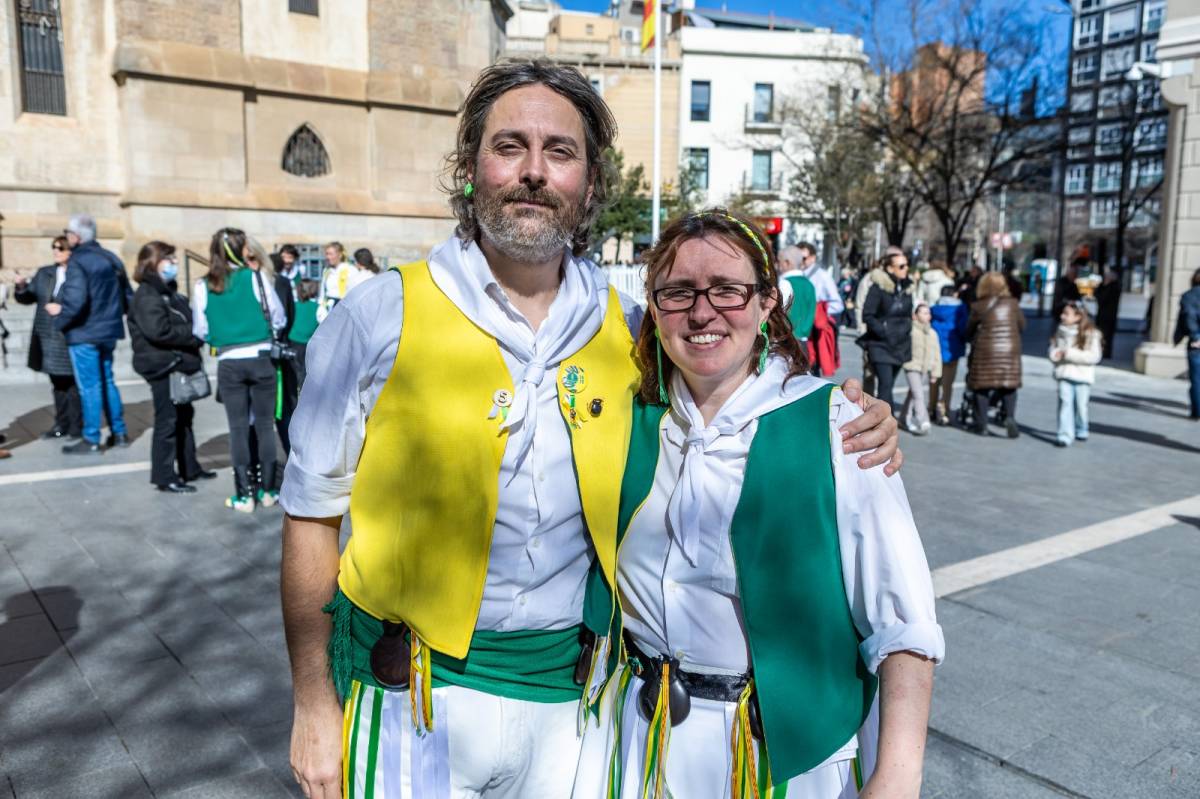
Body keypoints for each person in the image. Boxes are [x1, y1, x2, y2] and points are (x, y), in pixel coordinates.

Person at [278, 59, 903, 799]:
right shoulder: (379, 313)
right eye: (509, 146)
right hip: (411, 698)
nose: (534, 171)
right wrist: (313, 701)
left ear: (590, 182)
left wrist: (850, 414)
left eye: (561, 152)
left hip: (573, 714)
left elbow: (737, 392)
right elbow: (311, 516)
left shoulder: (632, 329)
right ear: (471, 165)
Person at [573, 211, 941, 799]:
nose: (702, 312)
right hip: (635, 744)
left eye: (728, 289)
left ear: (768, 301)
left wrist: (896, 777)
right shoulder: (629, 416)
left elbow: (903, 621)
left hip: (774, 754)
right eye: (677, 293)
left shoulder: (833, 423)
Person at [193, 227, 286, 512]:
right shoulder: (255, 277)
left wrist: (224, 336)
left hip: (229, 361)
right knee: (265, 426)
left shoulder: (202, 285)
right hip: (260, 357)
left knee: (237, 429)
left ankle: (244, 495)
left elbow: (201, 329)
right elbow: (278, 317)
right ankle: (269, 490)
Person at [128, 241, 217, 492]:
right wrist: (194, 333)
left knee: (184, 417)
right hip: (163, 365)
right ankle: (164, 475)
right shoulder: (147, 294)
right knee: (167, 421)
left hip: (177, 363)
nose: (175, 264)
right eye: (169, 259)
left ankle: (190, 467)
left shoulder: (168, 292)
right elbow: (159, 331)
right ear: (153, 263)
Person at [53, 213, 133, 455]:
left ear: (75, 236)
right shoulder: (111, 257)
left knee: (90, 386)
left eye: (68, 233)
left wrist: (60, 322)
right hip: (108, 330)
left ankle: (91, 437)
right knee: (107, 381)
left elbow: (75, 300)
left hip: (84, 332)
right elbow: (127, 295)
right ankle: (119, 433)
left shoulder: (79, 261)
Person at [14, 235, 82, 440]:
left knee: (72, 385)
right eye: (54, 247)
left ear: (71, 251)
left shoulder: (78, 274)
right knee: (58, 384)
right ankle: (61, 424)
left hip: (68, 335)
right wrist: (20, 286)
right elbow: (27, 298)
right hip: (47, 337)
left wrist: (64, 308)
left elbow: (84, 301)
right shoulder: (45, 273)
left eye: (61, 248)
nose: (56, 251)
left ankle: (76, 425)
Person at [966, 271, 1025, 438]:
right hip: (1009, 351)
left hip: (985, 350)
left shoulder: (978, 306)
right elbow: (1022, 325)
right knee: (1009, 386)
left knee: (981, 388)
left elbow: (969, 330)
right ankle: (1010, 417)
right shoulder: (1013, 304)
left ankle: (981, 424)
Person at [858, 252, 914, 412]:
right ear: (890, 268)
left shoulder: (908, 287)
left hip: (901, 344)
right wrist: (883, 332)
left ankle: (881, 420)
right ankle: (885, 422)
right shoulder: (878, 288)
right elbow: (867, 315)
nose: (906, 269)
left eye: (907, 265)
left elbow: (907, 314)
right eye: (901, 266)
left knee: (889, 384)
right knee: (885, 385)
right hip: (880, 344)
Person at [1049, 300, 1102, 448]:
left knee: (1081, 407)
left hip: (1082, 375)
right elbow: (1053, 349)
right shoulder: (1060, 331)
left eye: (1066, 314)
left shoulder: (1091, 334)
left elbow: (1094, 356)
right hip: (1064, 373)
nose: (1062, 316)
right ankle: (1064, 435)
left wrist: (1069, 353)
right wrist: (1055, 354)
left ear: (1078, 316)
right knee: (1065, 404)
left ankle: (1081, 428)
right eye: (1062, 313)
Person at [929, 285, 968, 426]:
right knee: (948, 383)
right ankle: (943, 409)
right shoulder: (960, 309)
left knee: (934, 380)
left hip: (935, 350)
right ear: (955, 294)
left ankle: (931, 408)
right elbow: (963, 328)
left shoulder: (933, 308)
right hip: (953, 349)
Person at [903, 304, 941, 435]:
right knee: (918, 393)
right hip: (912, 366)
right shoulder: (910, 331)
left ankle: (903, 418)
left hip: (925, 368)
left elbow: (937, 354)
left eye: (928, 313)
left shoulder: (932, 333)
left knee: (912, 395)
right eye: (923, 313)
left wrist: (935, 372)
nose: (927, 315)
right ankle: (923, 420)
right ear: (915, 315)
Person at [1173, 267, 1200, 419]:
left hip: (1196, 342)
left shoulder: (1189, 296)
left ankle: (1197, 411)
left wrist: (1195, 336)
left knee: (1196, 379)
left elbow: (1188, 317)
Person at [795, 241, 844, 321]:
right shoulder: (794, 274)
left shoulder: (823, 276)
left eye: (803, 258)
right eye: (796, 258)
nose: (800, 261)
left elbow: (838, 305)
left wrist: (815, 312)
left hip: (813, 327)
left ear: (813, 258)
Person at [777, 245, 817, 342]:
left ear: (787, 263)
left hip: (786, 340)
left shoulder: (784, 283)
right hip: (803, 340)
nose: (777, 265)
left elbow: (779, 312)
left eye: (779, 261)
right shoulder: (809, 285)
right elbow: (811, 312)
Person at [286, 279, 320, 391]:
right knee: (306, 369)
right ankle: (303, 389)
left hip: (293, 340)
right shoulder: (318, 307)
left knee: (294, 367)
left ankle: (295, 388)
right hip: (309, 342)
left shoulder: (294, 305)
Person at [317, 242, 361, 320]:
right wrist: (321, 307)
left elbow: (356, 293)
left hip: (343, 310)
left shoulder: (350, 270)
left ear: (340, 255)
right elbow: (323, 293)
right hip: (328, 310)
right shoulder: (327, 271)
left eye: (331, 254)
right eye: (327, 254)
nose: (328, 257)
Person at [1094, 268, 1120, 360]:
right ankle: (1101, 352)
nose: (1105, 279)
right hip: (1103, 315)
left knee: (1106, 336)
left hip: (1108, 316)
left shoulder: (1113, 287)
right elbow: (1096, 294)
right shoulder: (1105, 286)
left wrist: (1105, 285)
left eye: (1106, 277)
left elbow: (1102, 298)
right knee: (1101, 335)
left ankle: (1105, 353)